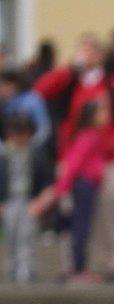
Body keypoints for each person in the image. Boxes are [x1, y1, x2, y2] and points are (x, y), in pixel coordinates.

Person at [34, 33, 114, 280]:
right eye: (82, 50)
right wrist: (69, 68)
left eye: (90, 50)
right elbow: (41, 90)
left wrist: (109, 149)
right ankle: (73, 265)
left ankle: (109, 263)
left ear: (101, 55)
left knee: (107, 212)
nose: (85, 55)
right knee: (73, 217)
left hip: (106, 162)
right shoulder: (71, 81)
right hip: (72, 159)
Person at [28, 99, 107, 284]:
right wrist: (61, 190)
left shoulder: (92, 136)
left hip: (89, 186)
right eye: (101, 112)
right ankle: (77, 268)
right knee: (80, 228)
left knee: (84, 228)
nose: (105, 116)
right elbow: (73, 165)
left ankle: (80, 265)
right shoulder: (86, 137)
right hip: (83, 186)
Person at [0, 114, 53, 283]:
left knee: (27, 234)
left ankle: (26, 268)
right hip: (9, 201)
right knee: (12, 234)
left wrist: (40, 202)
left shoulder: (36, 155)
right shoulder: (4, 156)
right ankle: (14, 267)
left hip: (29, 200)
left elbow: (47, 182)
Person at [0, 69, 51, 149]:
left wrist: (31, 145)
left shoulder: (32, 100)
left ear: (13, 84)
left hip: (31, 148)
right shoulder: (4, 103)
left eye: (3, 85)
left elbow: (44, 129)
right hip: (7, 150)